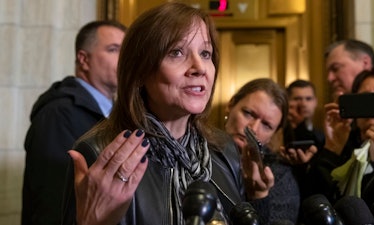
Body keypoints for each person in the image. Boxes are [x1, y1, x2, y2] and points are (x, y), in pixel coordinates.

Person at [61, 3, 274, 225]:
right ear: (140, 71)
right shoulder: (99, 152)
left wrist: (258, 198)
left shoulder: (225, 149)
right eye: (176, 52)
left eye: (205, 53)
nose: (199, 67)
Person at [22, 20, 126, 225]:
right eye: (113, 49)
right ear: (84, 59)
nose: (124, 59)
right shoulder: (57, 114)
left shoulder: (116, 113)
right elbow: (53, 203)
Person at [304, 66, 374, 208]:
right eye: (364, 98)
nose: (371, 105)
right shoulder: (348, 145)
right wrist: (332, 149)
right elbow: (314, 202)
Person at [224, 78, 301, 224]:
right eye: (248, 113)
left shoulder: (280, 177)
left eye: (266, 125)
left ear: (274, 134)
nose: (253, 128)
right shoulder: (196, 150)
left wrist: (259, 197)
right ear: (231, 105)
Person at [285, 79, 324, 151]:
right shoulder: (280, 134)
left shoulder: (323, 136)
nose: (303, 104)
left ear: (315, 102)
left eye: (308, 99)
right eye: (297, 99)